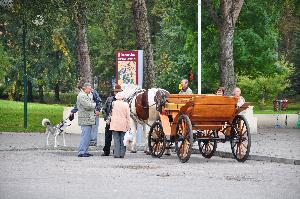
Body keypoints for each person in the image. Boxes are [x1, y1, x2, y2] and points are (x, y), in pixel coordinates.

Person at [101, 84, 122, 156]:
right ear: (114, 92)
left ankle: (116, 151)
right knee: (108, 137)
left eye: (119, 92)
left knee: (117, 137)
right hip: (110, 120)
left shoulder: (124, 100)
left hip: (118, 121)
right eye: (116, 92)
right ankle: (106, 151)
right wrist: (106, 118)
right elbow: (104, 109)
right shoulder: (109, 99)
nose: (117, 93)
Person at [77, 83, 96, 157]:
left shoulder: (86, 95)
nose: (91, 90)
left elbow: (90, 104)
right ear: (85, 88)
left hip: (88, 119)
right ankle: (82, 152)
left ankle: (85, 150)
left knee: (87, 136)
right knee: (85, 135)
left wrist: (92, 103)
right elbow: (88, 106)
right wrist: (94, 104)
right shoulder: (82, 95)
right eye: (90, 88)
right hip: (85, 119)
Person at [109, 91, 130, 158]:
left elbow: (110, 113)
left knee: (116, 139)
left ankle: (116, 154)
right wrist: (128, 126)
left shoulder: (113, 103)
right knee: (123, 140)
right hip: (123, 124)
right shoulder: (126, 104)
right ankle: (122, 154)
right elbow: (128, 116)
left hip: (114, 123)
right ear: (123, 97)